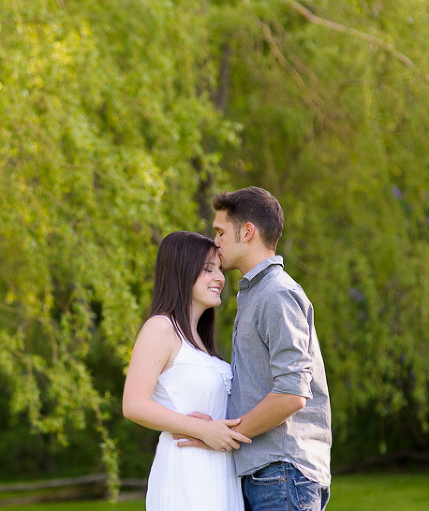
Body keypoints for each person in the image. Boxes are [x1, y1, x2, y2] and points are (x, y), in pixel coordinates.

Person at [179, 186, 332, 511]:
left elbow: (292, 393)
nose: (215, 241)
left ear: (247, 231)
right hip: (269, 473)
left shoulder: (276, 294)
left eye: (220, 231)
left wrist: (224, 435)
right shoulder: (255, 294)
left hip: (282, 472)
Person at [123, 231, 250, 511]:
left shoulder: (201, 343)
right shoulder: (160, 328)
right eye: (208, 269)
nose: (220, 278)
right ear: (182, 271)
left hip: (221, 473)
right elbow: (133, 404)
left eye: (219, 269)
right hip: (186, 473)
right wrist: (201, 429)